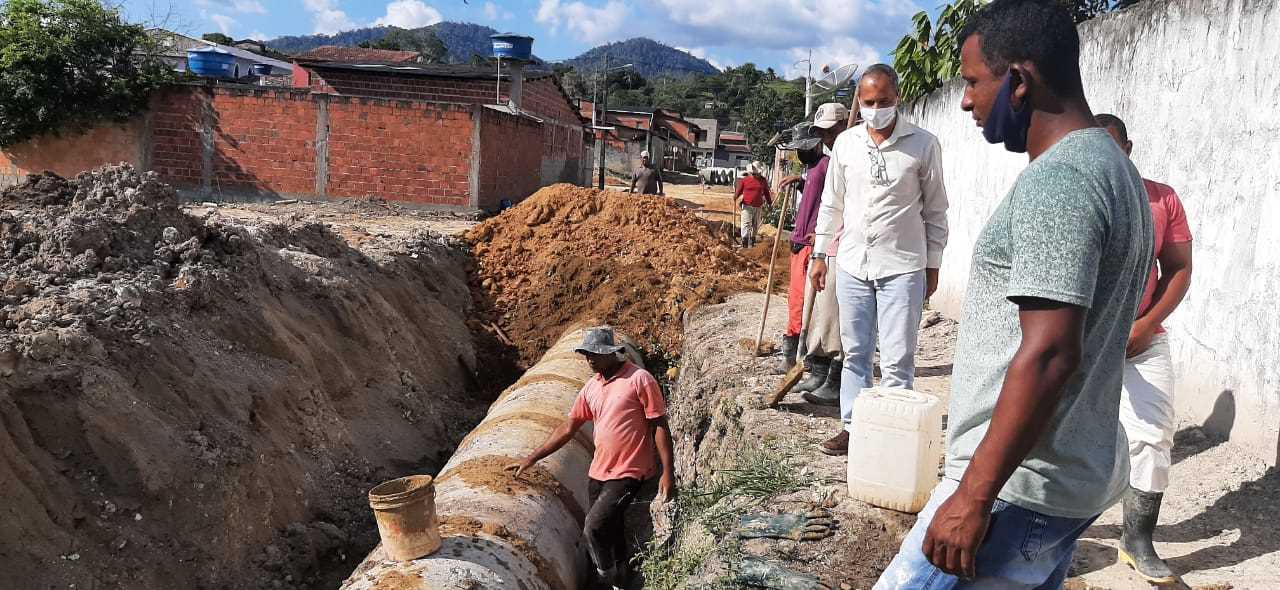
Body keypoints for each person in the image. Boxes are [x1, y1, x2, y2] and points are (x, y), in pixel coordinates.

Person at [874, 1, 1155, 587]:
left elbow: (1051, 353)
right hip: (1069, 477)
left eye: (975, 80)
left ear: (1019, 82)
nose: (966, 99)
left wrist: (973, 496)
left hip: (1017, 486)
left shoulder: (1062, 182)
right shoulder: (1114, 169)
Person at [808, 63, 949, 455]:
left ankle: (892, 433)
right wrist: (820, 254)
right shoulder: (847, 145)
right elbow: (831, 204)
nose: (875, 109)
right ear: (859, 101)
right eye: (868, 102)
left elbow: (936, 210)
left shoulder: (923, 145)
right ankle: (852, 427)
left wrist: (932, 264)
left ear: (897, 98)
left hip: (902, 266)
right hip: (853, 262)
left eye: (882, 101)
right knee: (856, 351)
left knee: (899, 355)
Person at [1096, 112, 1194, 585]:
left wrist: (1146, 324)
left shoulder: (1161, 198)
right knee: (1047, 424)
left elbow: (1178, 268)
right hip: (1082, 340)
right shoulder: (1076, 197)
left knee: (1153, 435)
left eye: (1113, 147)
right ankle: (1034, 524)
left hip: (1143, 340)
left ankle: (1137, 538)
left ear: (1128, 148)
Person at [506, 327, 676, 589]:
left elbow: (659, 425)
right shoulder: (591, 387)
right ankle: (623, 578)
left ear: (612, 353)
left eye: (595, 354)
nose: (590, 359)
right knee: (612, 527)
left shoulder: (639, 379)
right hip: (598, 471)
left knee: (593, 528)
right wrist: (532, 457)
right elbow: (568, 428)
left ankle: (604, 580)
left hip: (630, 471)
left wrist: (668, 472)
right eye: (586, 354)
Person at [778, 104, 849, 373]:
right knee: (796, 299)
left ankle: (799, 353)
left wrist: (819, 235)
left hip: (813, 244)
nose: (800, 152)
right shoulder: (814, 169)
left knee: (804, 302)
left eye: (804, 147)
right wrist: (800, 182)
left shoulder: (828, 165)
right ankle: (795, 349)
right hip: (801, 241)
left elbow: (832, 204)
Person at [735, 162, 772, 248]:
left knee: (755, 224)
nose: (754, 175)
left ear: (760, 172)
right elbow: (739, 190)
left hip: (758, 206)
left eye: (756, 173)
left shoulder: (763, 180)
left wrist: (769, 203)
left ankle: (752, 240)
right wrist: (735, 196)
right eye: (753, 173)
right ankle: (744, 242)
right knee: (746, 223)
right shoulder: (745, 180)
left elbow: (766, 192)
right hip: (747, 205)